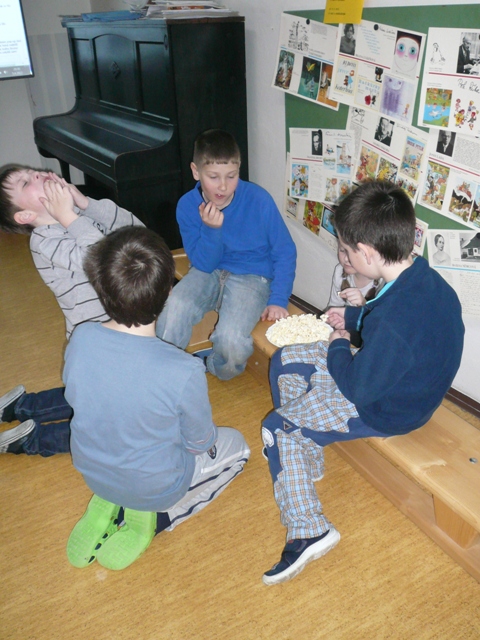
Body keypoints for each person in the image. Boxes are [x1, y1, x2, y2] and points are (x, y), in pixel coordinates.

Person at [261, 181, 464, 586]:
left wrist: (339, 343)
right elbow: (390, 327)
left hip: (385, 407)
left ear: (367, 253)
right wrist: (352, 320)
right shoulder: (422, 279)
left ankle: (308, 529)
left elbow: (357, 387)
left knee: (277, 427)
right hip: (396, 380)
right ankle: (307, 456)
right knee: (287, 360)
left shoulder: (395, 320)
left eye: (347, 251)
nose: (347, 259)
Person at [65, 226, 250, 570]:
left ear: (100, 287)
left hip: (93, 470)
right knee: (238, 446)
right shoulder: (184, 369)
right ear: (168, 291)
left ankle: (108, 500)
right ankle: (154, 518)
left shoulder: (81, 336)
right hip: (155, 487)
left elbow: (79, 396)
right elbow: (199, 442)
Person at [0, 165, 144, 454]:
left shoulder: (79, 217)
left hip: (122, 337)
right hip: (98, 348)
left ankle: (25, 406)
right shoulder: (44, 240)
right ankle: (34, 439)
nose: (37, 174)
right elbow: (101, 259)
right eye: (26, 182)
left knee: (95, 400)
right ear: (25, 216)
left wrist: (85, 204)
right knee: (116, 426)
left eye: (32, 171)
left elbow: (137, 231)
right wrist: (70, 216)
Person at [156, 129, 297, 381]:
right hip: (207, 271)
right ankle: (163, 370)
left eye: (231, 176)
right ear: (196, 171)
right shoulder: (187, 206)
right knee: (173, 308)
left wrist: (278, 299)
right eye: (213, 177)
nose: (223, 186)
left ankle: (212, 366)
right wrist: (212, 230)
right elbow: (203, 263)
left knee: (231, 342)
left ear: (239, 169)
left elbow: (284, 250)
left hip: (253, 277)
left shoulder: (259, 200)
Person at [328, 241, 382, 308]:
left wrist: (363, 304)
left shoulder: (382, 283)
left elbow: (380, 314)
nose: (346, 259)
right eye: (342, 250)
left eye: (353, 253)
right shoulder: (340, 271)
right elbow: (334, 305)